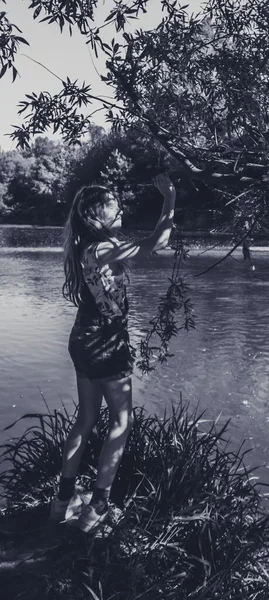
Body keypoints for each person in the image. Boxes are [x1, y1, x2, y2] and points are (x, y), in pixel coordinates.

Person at [49, 173, 176, 533]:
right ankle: (97, 508)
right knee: (122, 422)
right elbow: (159, 242)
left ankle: (63, 502)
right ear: (96, 214)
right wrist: (169, 200)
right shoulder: (102, 249)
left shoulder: (85, 247)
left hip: (83, 338)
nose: (119, 206)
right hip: (106, 342)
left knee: (86, 419)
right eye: (112, 203)